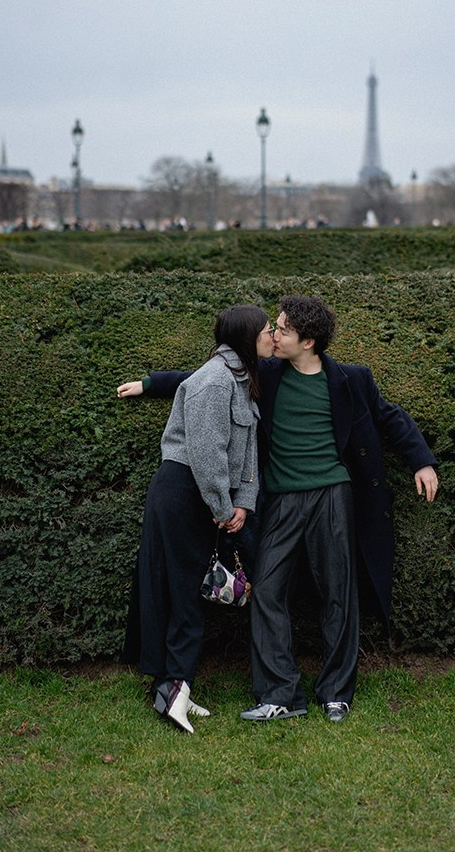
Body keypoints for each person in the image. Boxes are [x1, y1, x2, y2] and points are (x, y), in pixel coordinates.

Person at [118, 295, 438, 724]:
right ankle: (280, 694)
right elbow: (203, 381)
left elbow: (390, 417)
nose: (274, 334)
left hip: (332, 495)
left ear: (308, 342)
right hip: (282, 499)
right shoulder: (265, 373)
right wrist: (151, 383)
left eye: (283, 329)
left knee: (338, 593)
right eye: (275, 326)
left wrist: (422, 459)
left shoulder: (352, 380)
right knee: (266, 590)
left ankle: (336, 694)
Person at [126, 304, 274, 733]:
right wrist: (223, 509)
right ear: (248, 337)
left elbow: (245, 455)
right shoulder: (215, 380)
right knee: (184, 590)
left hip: (201, 496)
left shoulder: (241, 378)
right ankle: (174, 690)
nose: (272, 337)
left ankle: (173, 686)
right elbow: (207, 455)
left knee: (190, 589)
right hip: (185, 492)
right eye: (266, 330)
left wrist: (242, 502)